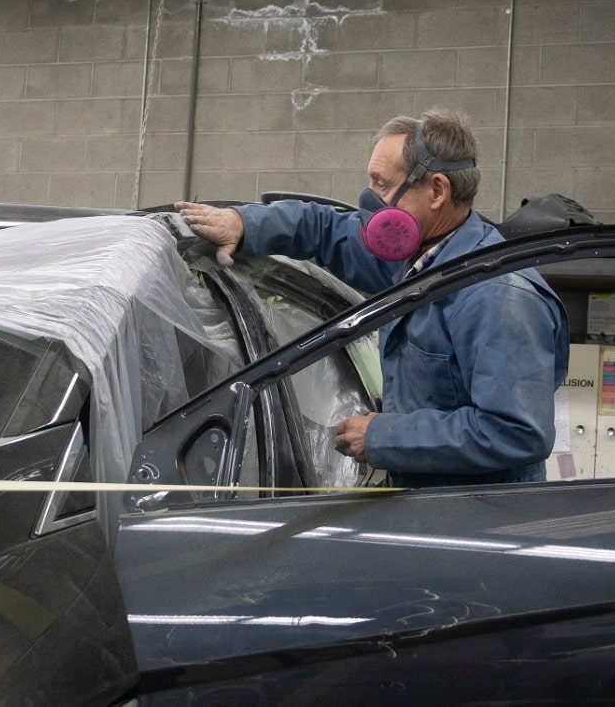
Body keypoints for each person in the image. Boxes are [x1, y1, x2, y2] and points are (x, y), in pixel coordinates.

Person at [176, 110, 569, 487]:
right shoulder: (421, 262)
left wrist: (384, 436)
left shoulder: (496, 297)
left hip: (473, 520)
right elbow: (325, 230)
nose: (371, 200)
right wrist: (245, 224)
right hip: (428, 501)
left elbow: (516, 433)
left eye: (382, 184)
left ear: (436, 191)